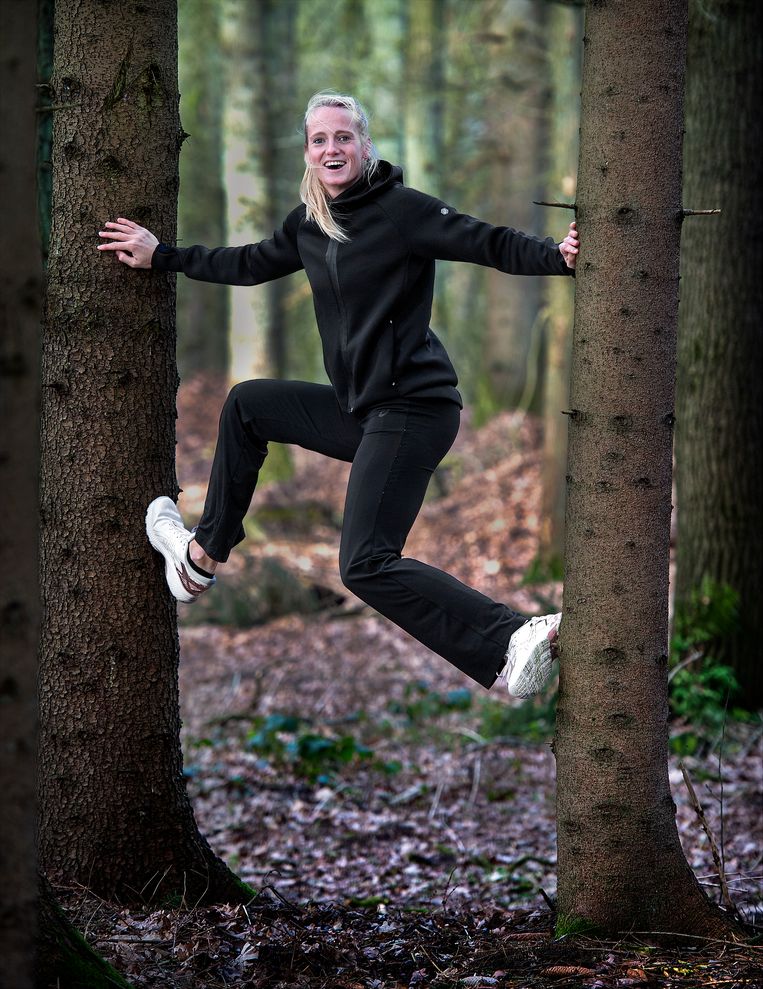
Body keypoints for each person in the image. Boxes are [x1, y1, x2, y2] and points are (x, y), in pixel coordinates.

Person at [97, 92, 579, 698]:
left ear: (364, 144)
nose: (332, 148)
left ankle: (511, 636)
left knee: (365, 562)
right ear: (307, 151)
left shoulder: (401, 210)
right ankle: (200, 560)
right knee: (249, 404)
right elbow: (248, 263)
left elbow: (486, 241)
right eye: (320, 139)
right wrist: (162, 256)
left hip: (415, 407)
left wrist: (559, 257)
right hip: (363, 410)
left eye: (343, 137)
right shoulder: (309, 224)